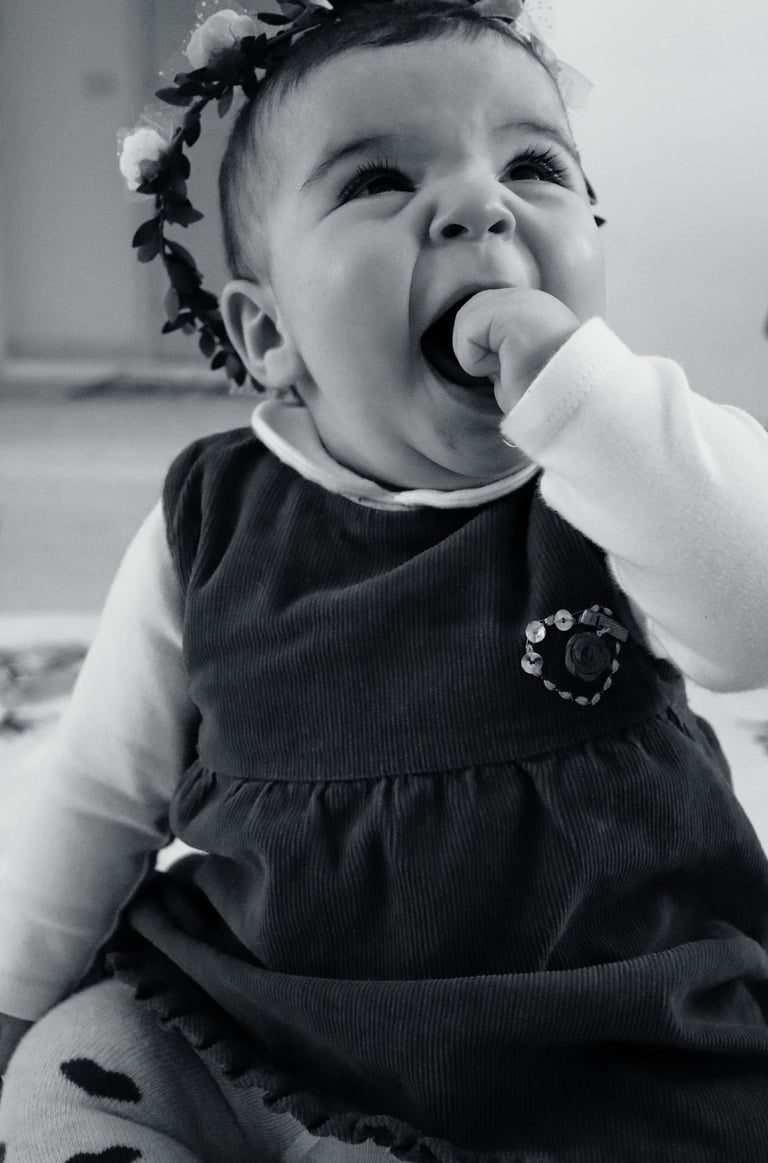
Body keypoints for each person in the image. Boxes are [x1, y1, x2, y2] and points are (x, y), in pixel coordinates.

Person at [1, 1, 768, 1159]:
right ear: (269, 336)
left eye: (533, 164)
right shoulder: (209, 519)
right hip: (259, 1021)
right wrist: (16, 995)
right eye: (375, 183)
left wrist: (590, 400)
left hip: (594, 1047)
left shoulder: (626, 474)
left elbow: (752, 620)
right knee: (80, 1066)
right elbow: (102, 790)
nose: (478, 203)